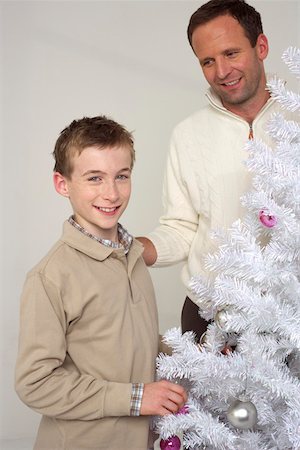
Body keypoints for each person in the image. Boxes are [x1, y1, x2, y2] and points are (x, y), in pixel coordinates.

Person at [15, 116, 187, 450]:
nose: (111, 193)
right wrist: (135, 398)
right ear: (62, 184)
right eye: (95, 178)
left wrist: (194, 357)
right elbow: (35, 383)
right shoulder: (50, 277)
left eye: (121, 176)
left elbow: (129, 342)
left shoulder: (132, 256)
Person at [138, 0, 296, 341]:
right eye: (207, 61)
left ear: (261, 47)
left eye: (231, 53)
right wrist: (134, 249)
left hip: (290, 315)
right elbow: (182, 228)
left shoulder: (295, 121)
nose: (221, 71)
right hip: (210, 316)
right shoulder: (187, 135)